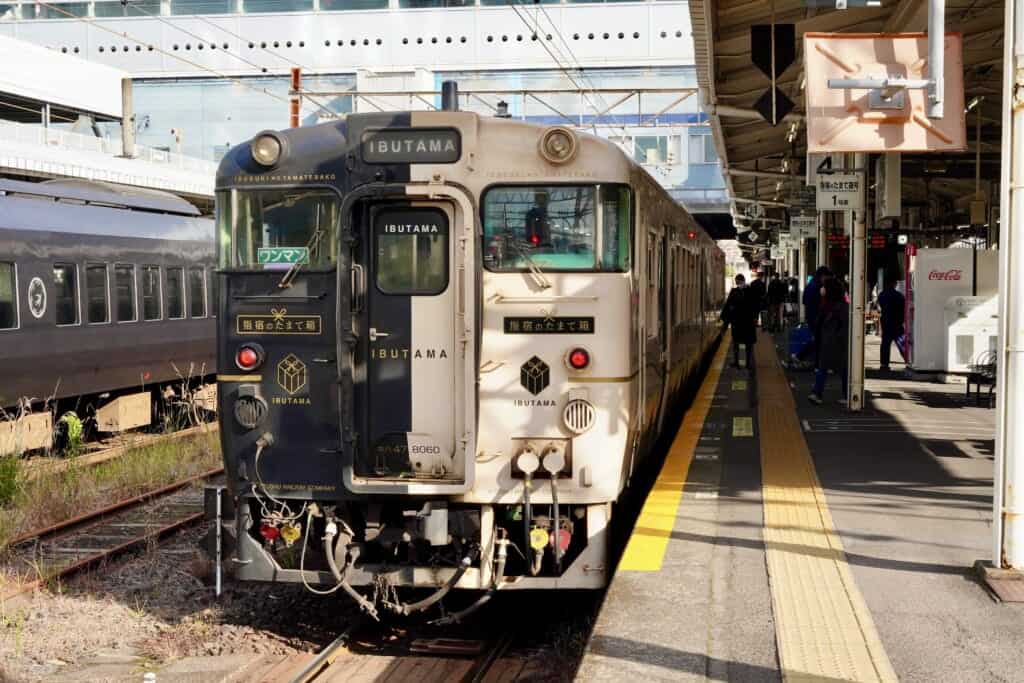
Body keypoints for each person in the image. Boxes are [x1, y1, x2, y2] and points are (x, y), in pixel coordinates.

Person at [809, 278, 849, 405]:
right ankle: (845, 394)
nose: (822, 289)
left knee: (826, 368)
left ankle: (818, 393)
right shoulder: (835, 305)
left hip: (834, 341)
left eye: (824, 287)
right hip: (831, 341)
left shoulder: (837, 307)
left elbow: (840, 325)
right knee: (841, 369)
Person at [792, 266, 832, 364]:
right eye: (826, 277)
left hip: (812, 317)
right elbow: (818, 304)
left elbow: (804, 301)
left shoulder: (811, 285)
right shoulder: (817, 287)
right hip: (816, 318)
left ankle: (815, 363)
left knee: (819, 340)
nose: (827, 280)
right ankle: (802, 357)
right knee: (819, 340)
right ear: (822, 276)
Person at [720, 274, 758, 369]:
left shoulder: (737, 291)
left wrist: (724, 320)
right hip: (745, 322)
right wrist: (755, 318)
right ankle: (746, 363)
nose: (738, 284)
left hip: (739, 322)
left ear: (740, 281)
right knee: (745, 343)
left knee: (739, 343)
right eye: (737, 282)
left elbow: (728, 306)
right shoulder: (750, 291)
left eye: (738, 282)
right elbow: (756, 305)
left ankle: (740, 362)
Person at [877, 276, 906, 371]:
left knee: (885, 343)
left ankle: (884, 364)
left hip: (886, 321)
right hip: (897, 321)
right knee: (901, 342)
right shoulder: (899, 295)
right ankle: (908, 360)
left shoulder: (882, 294)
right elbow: (903, 308)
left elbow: (880, 305)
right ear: (894, 284)